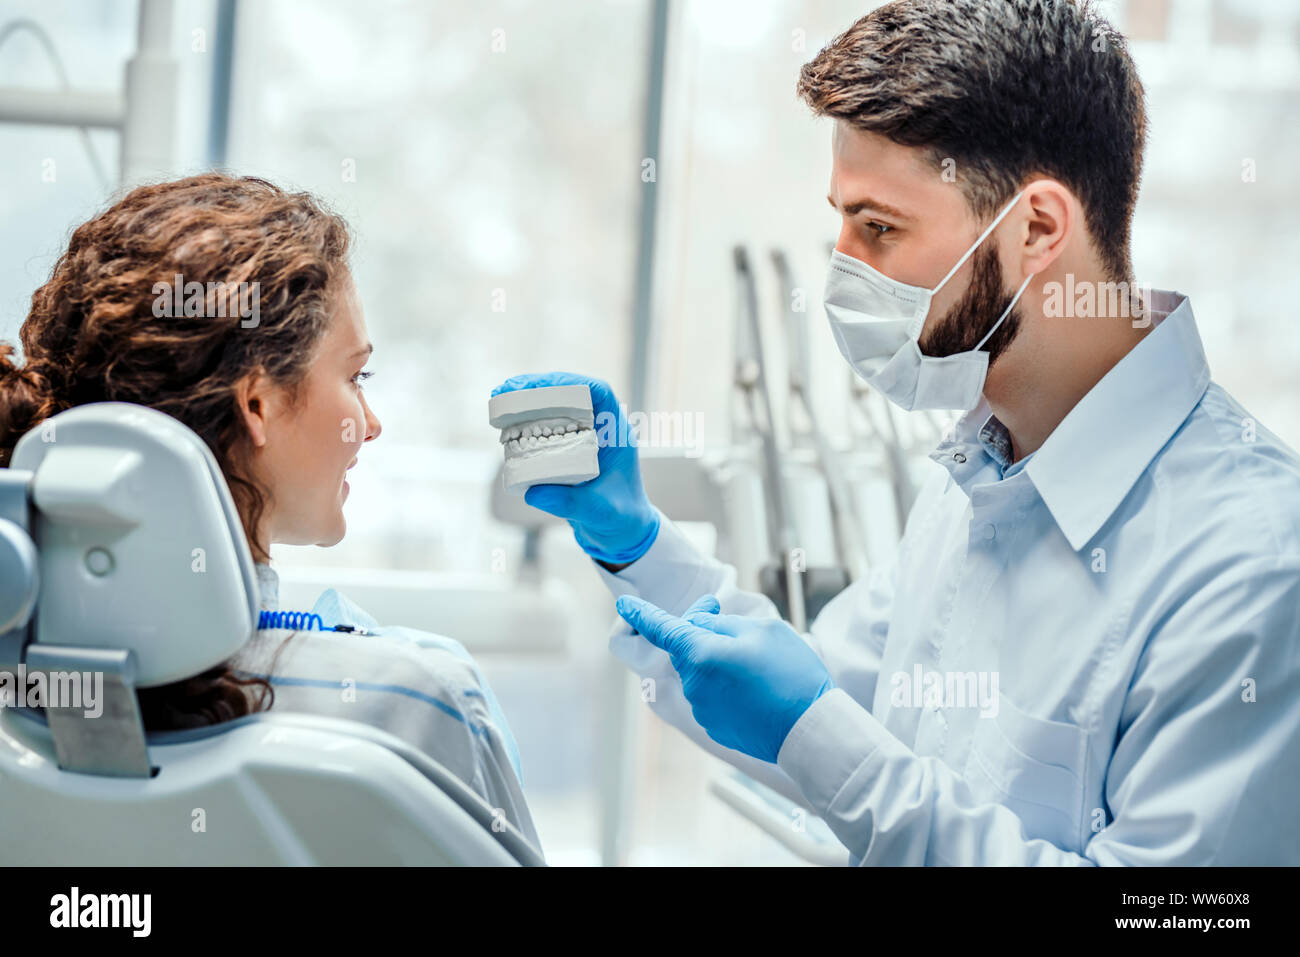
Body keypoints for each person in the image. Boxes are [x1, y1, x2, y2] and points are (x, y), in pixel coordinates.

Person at [494, 0, 1300, 865]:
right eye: (840, 222)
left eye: (879, 228)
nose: (841, 270)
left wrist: (822, 740)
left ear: (1037, 228)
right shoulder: (983, 477)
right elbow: (813, 713)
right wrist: (636, 543)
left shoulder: (1255, 567)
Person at [0, 173, 539, 851]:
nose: (369, 424)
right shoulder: (416, 702)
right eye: (355, 376)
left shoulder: (18, 700)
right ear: (256, 404)